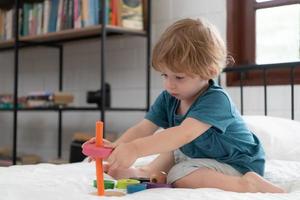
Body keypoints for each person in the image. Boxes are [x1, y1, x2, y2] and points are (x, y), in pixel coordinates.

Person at [83, 18, 284, 193]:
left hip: (236, 164)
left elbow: (184, 134)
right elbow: (145, 128)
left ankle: (246, 185)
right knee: (172, 146)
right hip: (202, 156)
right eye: (165, 75)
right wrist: (115, 147)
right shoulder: (169, 97)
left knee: (179, 172)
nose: (169, 84)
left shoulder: (216, 100)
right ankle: (149, 172)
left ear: (209, 71)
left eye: (179, 77)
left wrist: (135, 149)